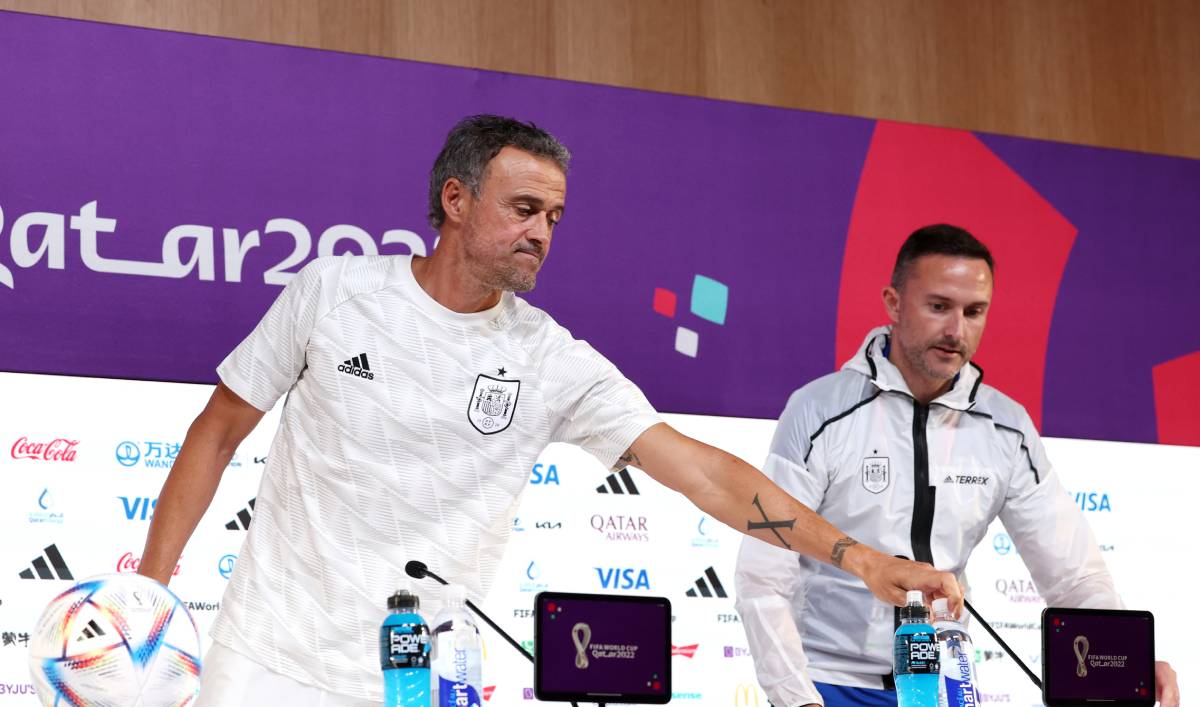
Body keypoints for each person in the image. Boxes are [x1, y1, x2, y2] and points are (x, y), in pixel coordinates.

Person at [137, 116, 961, 706]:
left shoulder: (551, 359)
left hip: (421, 678)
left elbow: (703, 472)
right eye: (523, 208)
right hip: (265, 657)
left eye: (554, 217)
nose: (542, 232)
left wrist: (856, 557)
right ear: (456, 200)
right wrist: (147, 592)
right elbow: (218, 432)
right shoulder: (335, 289)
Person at [734, 224, 1179, 707]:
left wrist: (1125, 662)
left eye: (974, 312)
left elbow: (1074, 575)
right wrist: (797, 699)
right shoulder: (818, 410)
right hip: (826, 682)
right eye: (939, 306)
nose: (956, 331)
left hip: (947, 685)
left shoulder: (1007, 428)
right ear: (893, 303)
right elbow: (764, 574)